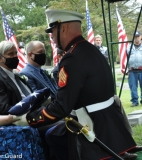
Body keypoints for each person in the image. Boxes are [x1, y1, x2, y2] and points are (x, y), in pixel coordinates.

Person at [26, 9, 137, 160]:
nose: (51, 36)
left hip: (93, 125)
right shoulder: (91, 50)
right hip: (111, 121)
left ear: (62, 28)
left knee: (52, 136)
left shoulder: (72, 58)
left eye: (52, 31)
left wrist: (31, 118)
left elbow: (61, 107)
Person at [0, 41, 59, 159]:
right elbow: (3, 108)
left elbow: (31, 95)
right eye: (11, 54)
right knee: (60, 128)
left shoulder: (16, 75)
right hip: (22, 119)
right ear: (0, 58)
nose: (15, 57)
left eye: (16, 53)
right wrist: (27, 109)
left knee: (67, 121)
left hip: (37, 112)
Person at [127, 31, 142, 107]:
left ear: (140, 37)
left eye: (138, 36)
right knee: (133, 87)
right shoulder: (128, 47)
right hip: (132, 70)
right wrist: (126, 70)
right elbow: (125, 59)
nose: (136, 38)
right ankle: (135, 101)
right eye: (135, 37)